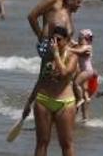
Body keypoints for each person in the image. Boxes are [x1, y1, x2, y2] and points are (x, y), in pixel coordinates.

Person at [33, 26, 77, 156]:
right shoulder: (47, 55)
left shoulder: (72, 56)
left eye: (58, 40)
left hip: (65, 103)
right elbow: (40, 79)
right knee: (42, 142)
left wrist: (56, 54)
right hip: (43, 100)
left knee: (66, 143)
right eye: (53, 40)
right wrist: (29, 102)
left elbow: (64, 73)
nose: (55, 43)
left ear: (67, 40)